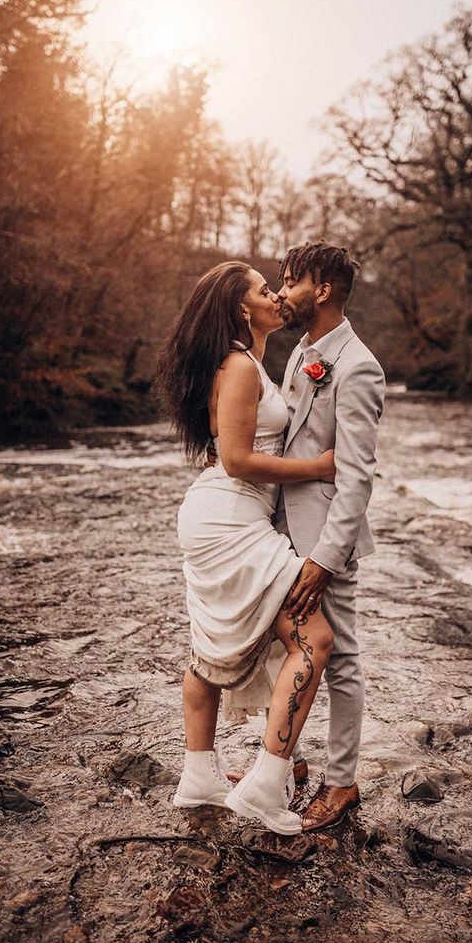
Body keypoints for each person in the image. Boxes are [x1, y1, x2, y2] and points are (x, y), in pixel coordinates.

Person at [157, 261, 337, 835]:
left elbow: (229, 451)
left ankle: (199, 776)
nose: (277, 296)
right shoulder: (238, 365)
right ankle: (264, 784)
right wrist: (318, 467)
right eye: (265, 290)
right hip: (229, 518)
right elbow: (236, 460)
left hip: (223, 515)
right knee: (314, 638)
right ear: (242, 308)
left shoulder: (250, 363)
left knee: (209, 646)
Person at [275, 240, 385, 831]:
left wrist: (325, 558)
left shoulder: (358, 365)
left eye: (290, 280)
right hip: (280, 534)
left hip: (324, 543)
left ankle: (341, 783)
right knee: (286, 649)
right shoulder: (301, 354)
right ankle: (284, 760)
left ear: (322, 289)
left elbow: (356, 475)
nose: (281, 290)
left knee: (340, 660)